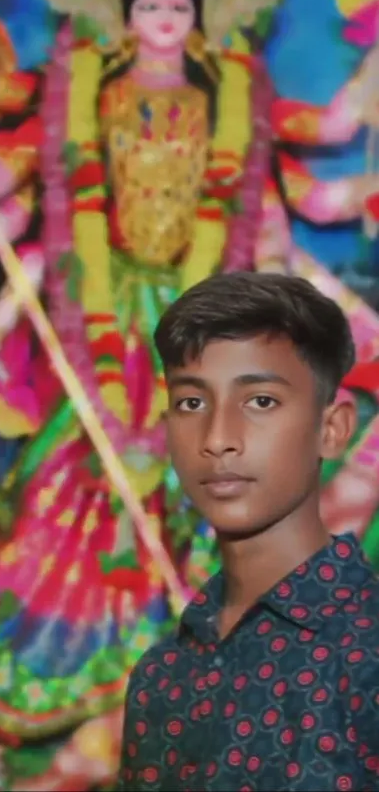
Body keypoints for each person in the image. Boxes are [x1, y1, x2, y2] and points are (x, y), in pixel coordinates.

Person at [116, 271, 379, 791]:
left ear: (332, 429)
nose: (217, 439)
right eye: (192, 403)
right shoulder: (161, 677)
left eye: (260, 401)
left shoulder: (368, 648)